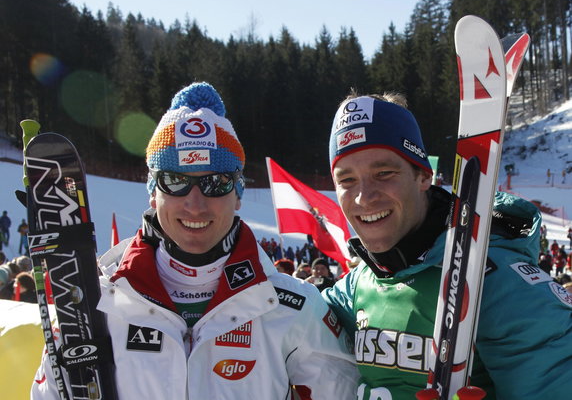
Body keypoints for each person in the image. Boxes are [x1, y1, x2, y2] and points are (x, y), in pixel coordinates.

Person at [31, 82, 357, 399]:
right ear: (153, 193)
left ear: (238, 194)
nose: (195, 203)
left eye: (215, 182)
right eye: (175, 181)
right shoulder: (92, 304)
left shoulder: (294, 308)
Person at [322, 91, 572, 399]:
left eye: (384, 173)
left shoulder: (497, 283)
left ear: (423, 175)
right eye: (346, 180)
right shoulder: (357, 286)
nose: (364, 196)